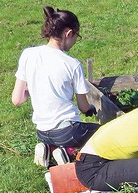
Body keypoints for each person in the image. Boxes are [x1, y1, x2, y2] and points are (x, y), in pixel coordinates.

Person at [11, 6, 99, 168]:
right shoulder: (72, 65)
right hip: (67, 132)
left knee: (54, 137)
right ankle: (69, 151)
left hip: (42, 132)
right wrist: (90, 109)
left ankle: (47, 148)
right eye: (76, 37)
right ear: (68, 33)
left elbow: (17, 99)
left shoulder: (28, 54)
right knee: (101, 133)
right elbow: (83, 106)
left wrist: (36, 87)